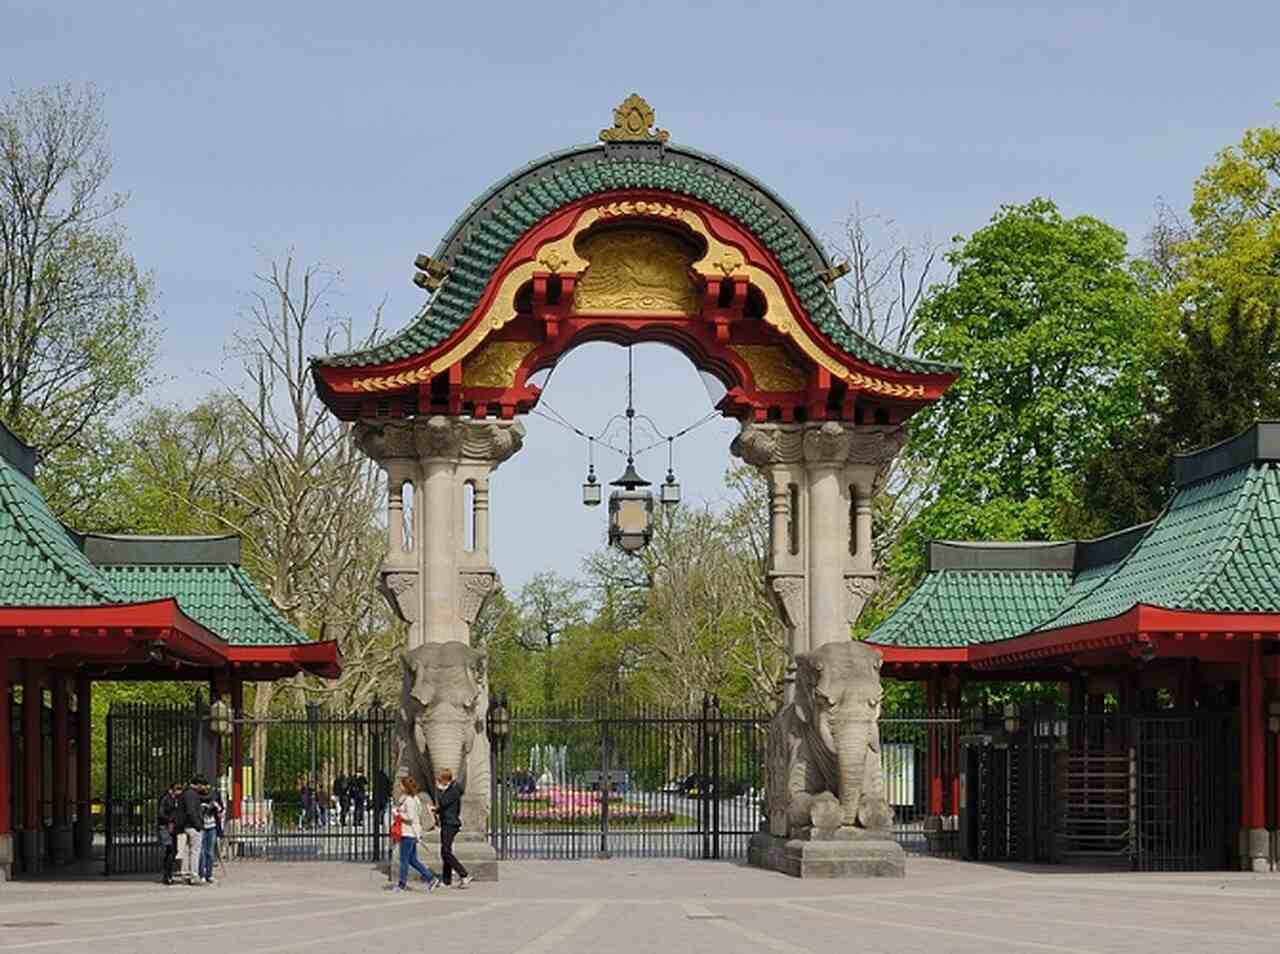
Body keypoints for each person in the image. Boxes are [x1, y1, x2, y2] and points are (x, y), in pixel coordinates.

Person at [387, 776, 438, 893]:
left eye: (401, 785)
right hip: (412, 832)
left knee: (404, 860)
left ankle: (402, 884)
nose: (400, 787)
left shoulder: (409, 801)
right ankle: (431, 878)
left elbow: (410, 817)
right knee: (412, 860)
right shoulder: (414, 799)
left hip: (408, 833)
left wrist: (397, 814)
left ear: (406, 787)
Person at [432, 769, 471, 889]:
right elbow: (445, 806)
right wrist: (436, 810)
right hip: (447, 822)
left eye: (440, 779)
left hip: (451, 823)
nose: (438, 781)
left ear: (445, 779)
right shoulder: (451, 790)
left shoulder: (453, 790)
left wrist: (439, 790)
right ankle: (446, 879)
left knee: (446, 852)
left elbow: (444, 802)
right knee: (445, 851)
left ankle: (464, 874)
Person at [177, 774, 205, 885]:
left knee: (187, 850)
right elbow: (191, 811)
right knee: (195, 851)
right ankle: (194, 875)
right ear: (197, 785)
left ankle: (184, 873)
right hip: (193, 826)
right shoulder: (192, 795)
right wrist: (198, 824)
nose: (202, 788)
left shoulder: (185, 793)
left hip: (186, 826)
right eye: (201, 785)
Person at [198, 782, 223, 885]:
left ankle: (209, 874)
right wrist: (202, 808)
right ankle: (202, 874)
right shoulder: (197, 797)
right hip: (202, 827)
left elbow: (221, 809)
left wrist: (216, 807)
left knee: (210, 852)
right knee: (202, 852)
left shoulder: (215, 796)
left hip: (212, 826)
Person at [157, 781, 181, 885]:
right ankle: (167, 875)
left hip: (173, 827)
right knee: (170, 849)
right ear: (171, 789)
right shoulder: (165, 798)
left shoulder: (176, 799)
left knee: (173, 850)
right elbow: (161, 813)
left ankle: (168, 874)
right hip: (166, 827)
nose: (179, 791)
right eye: (177, 789)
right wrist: (170, 820)